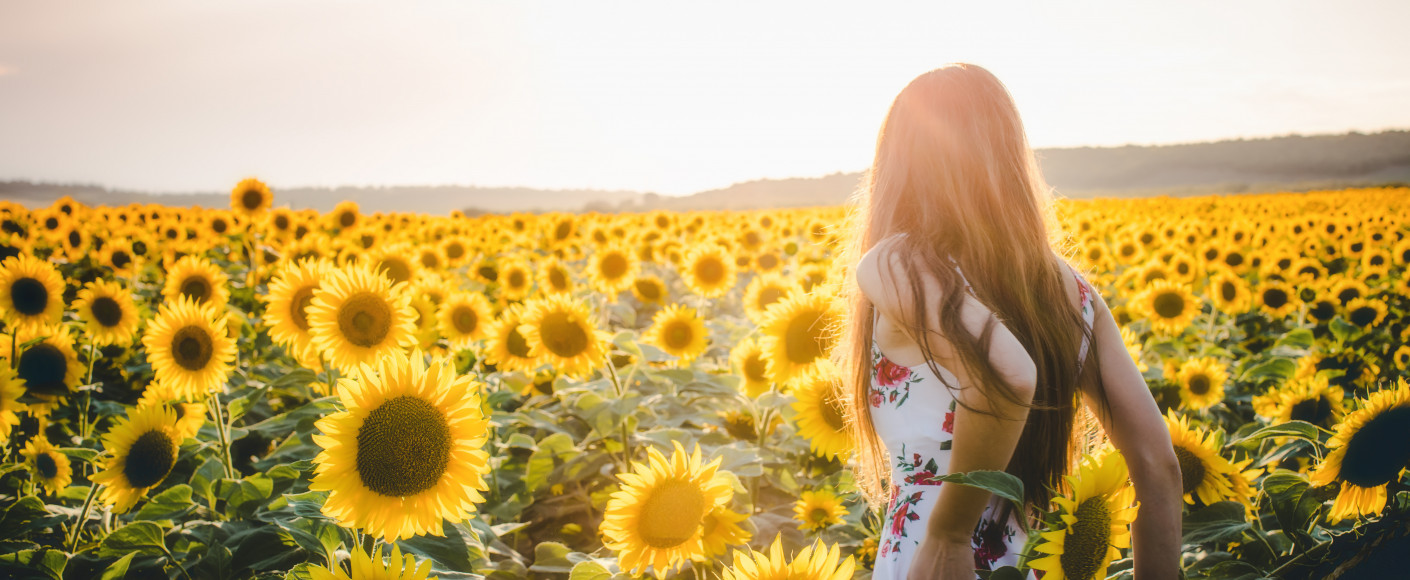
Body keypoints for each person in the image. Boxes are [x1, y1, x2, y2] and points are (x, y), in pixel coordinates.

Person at [839, 64, 1183, 580]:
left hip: (936, 562)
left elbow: (1007, 375)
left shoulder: (901, 265)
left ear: (897, 164)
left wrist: (948, 536)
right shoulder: (1068, 291)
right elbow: (1158, 468)